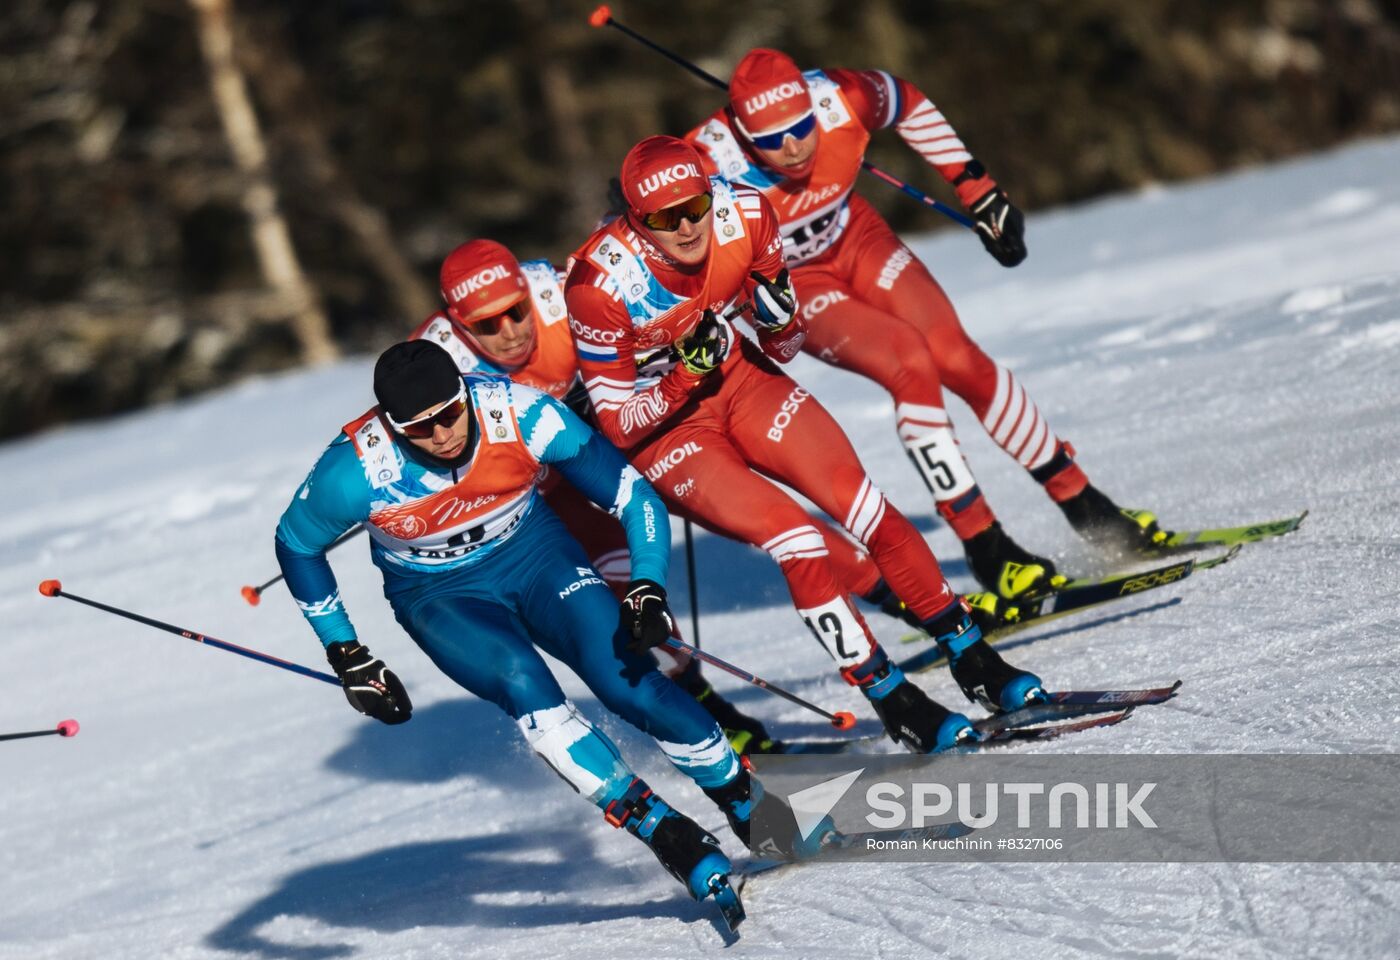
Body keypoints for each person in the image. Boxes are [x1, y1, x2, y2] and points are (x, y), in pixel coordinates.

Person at [564, 134, 1053, 754]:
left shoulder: (745, 213)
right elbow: (619, 425)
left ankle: (974, 658)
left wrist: (781, 320)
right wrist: (685, 372)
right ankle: (893, 698)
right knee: (796, 537)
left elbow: (785, 347)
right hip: (667, 432)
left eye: (696, 207)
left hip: (739, 383)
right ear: (635, 221)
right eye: (665, 218)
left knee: (865, 506)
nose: (687, 227)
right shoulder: (596, 285)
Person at [273, 339, 751, 905]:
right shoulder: (353, 471)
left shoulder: (524, 415)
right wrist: (347, 654)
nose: (443, 434)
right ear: (393, 426)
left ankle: (745, 797)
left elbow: (631, 495)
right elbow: (295, 546)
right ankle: (663, 830)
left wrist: (646, 583)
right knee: (527, 686)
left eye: (451, 413)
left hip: (537, 556)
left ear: (466, 395)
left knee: (627, 679)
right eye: (420, 429)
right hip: (439, 593)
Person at [683, 49, 1172, 601]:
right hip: (796, 284)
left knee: (959, 358)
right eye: (771, 139)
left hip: (855, 238)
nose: (792, 146)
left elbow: (908, 102)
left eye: (800, 128)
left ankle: (1090, 509)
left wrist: (978, 190)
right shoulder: (707, 156)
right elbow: (646, 223)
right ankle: (987, 547)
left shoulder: (842, 96)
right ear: (743, 134)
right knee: (907, 358)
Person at [418, 236, 888, 754]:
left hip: (619, 446)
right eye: (487, 325)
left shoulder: (560, 290)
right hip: (546, 492)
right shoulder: (437, 364)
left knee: (759, 519)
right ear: (458, 324)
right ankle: (708, 711)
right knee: (625, 595)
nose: (509, 332)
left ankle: (903, 597)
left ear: (528, 292)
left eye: (515, 311)